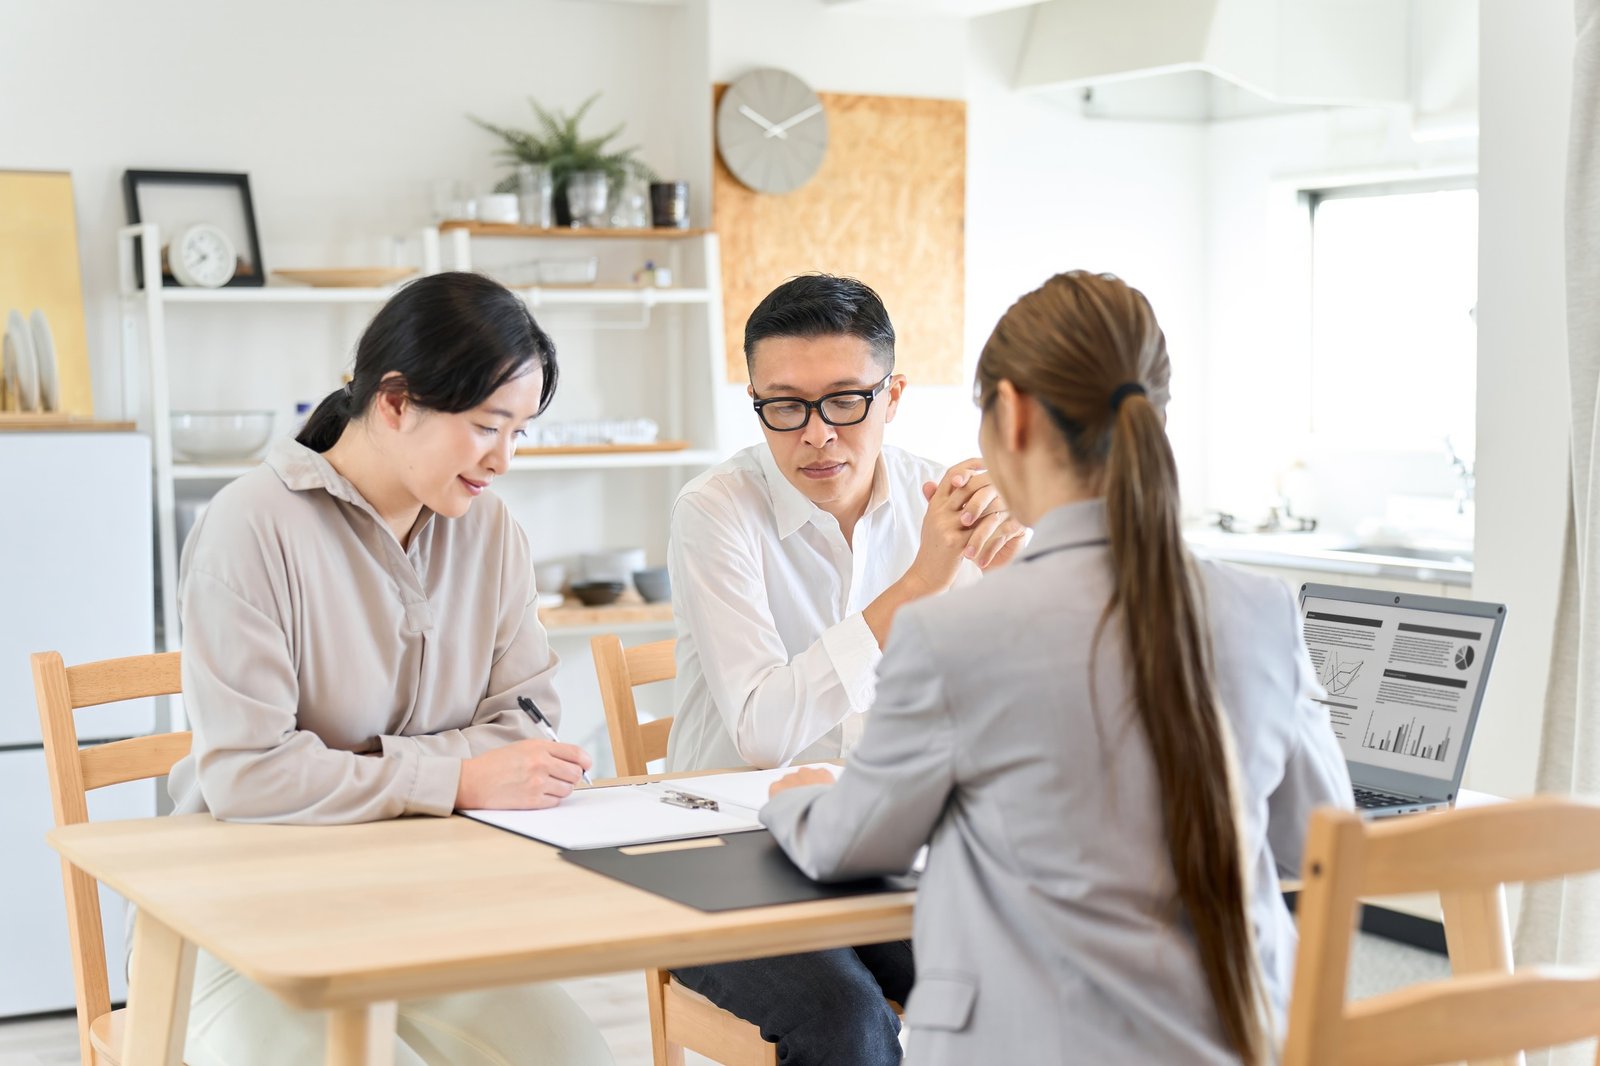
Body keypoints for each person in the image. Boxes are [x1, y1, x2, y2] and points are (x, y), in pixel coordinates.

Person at [764, 270, 1353, 1064]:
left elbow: (853, 845)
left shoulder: (951, 634)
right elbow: (1314, 843)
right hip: (1244, 1041)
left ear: (1011, 413)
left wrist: (798, 802)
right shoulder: (1262, 610)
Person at [165, 271, 613, 1065]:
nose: (503, 460)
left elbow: (526, 729)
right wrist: (458, 779)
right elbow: (249, 776)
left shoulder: (490, 532)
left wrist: (346, 769)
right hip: (242, 927)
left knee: (582, 1059)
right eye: (487, 427)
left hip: (428, 913)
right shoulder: (250, 526)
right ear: (397, 401)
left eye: (520, 433)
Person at [663, 274, 1026, 1065]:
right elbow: (764, 733)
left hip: (885, 846)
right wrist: (921, 582)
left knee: (1020, 981)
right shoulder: (715, 511)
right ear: (756, 403)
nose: (817, 434)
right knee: (848, 1021)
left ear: (892, 396)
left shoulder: (944, 501)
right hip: (726, 858)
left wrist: (1025, 575)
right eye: (785, 407)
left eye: (845, 401)